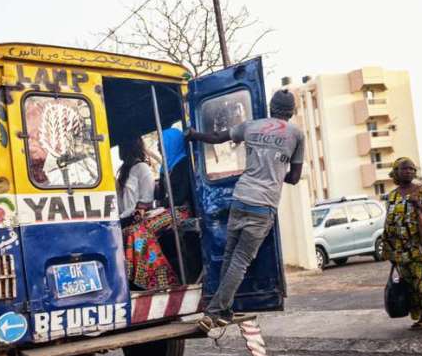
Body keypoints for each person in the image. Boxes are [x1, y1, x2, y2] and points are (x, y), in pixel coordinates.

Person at [186, 89, 304, 331]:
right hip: (263, 206)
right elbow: (294, 177)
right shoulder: (296, 135)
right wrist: (277, 170)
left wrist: (193, 134)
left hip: (240, 198)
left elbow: (218, 137)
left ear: (271, 107)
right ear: (291, 112)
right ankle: (214, 312)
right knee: (240, 261)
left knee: (230, 257)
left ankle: (224, 309)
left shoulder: (250, 126)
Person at [381, 157, 422, 333]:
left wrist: (421, 206)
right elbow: (389, 223)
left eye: (411, 169)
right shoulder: (392, 196)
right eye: (404, 169)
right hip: (401, 251)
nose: (409, 171)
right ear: (396, 172)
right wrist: (390, 252)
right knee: (410, 286)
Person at [116, 137, 181, 290]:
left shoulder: (142, 168)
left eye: (122, 146)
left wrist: (133, 215)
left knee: (136, 234)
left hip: (135, 216)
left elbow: (146, 200)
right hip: (123, 217)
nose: (120, 150)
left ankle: (155, 282)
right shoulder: (124, 170)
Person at [155, 127, 191, 208]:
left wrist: (158, 204)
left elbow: (180, 198)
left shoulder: (184, 165)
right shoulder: (165, 167)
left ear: (172, 144)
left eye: (161, 144)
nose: (158, 148)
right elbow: (162, 194)